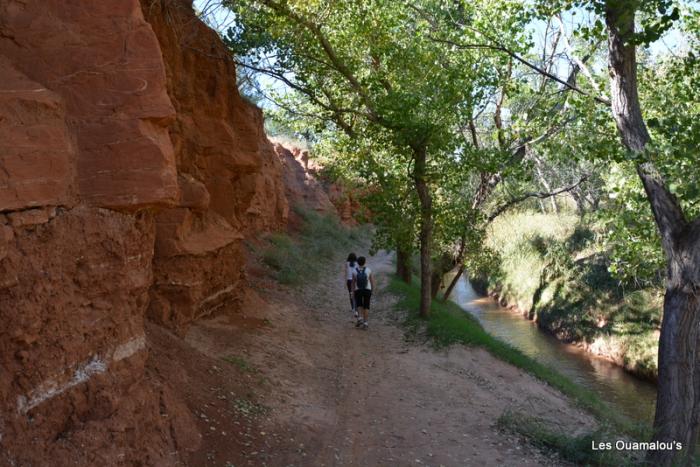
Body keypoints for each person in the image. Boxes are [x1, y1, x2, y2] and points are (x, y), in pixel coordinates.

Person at [352, 256, 375, 330]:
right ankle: (365, 322)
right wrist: (372, 290)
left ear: (357, 263)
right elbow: (372, 281)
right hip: (367, 290)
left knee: (359, 305)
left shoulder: (354, 271)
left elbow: (353, 283)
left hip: (358, 290)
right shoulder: (368, 270)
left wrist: (353, 292)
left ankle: (360, 318)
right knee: (366, 306)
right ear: (365, 262)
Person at [344, 253, 358, 318]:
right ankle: (357, 308)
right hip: (355, 280)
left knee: (351, 293)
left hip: (349, 280)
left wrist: (345, 280)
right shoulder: (357, 263)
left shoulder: (347, 263)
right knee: (356, 293)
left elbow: (346, 272)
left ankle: (353, 308)